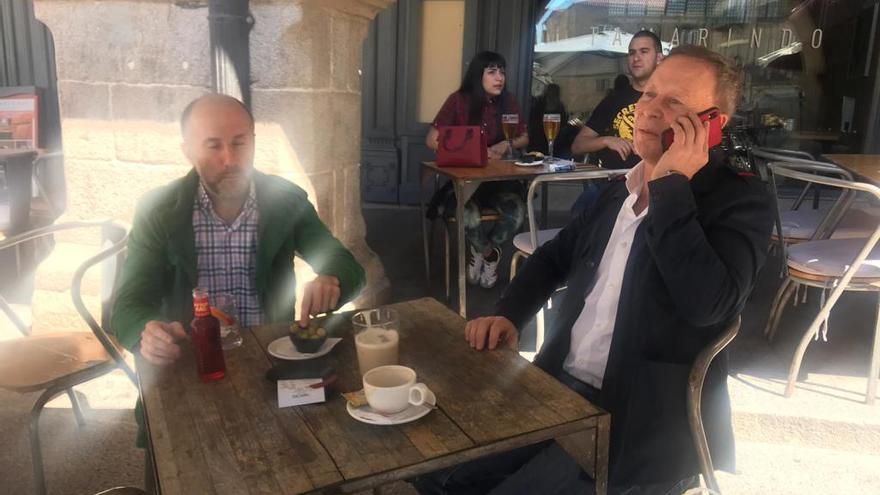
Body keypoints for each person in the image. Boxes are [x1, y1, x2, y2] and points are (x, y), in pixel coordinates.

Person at [415, 46, 773, 494]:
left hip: (637, 425)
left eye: (675, 103)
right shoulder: (617, 190)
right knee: (436, 475)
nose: (650, 109)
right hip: (556, 388)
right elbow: (553, 256)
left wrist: (671, 187)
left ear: (711, 124)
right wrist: (510, 313)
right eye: (650, 95)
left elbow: (709, 304)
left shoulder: (740, 201)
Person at [112, 93, 366, 366]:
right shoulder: (159, 211)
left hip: (270, 357)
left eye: (239, 143)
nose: (230, 159)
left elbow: (348, 267)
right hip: (189, 362)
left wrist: (333, 281)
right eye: (213, 146)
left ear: (254, 142)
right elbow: (128, 305)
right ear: (188, 151)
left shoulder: (286, 202)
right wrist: (147, 334)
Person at [426, 51, 528, 289]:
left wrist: (507, 144)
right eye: (492, 71)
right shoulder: (458, 100)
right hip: (465, 186)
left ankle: (479, 253)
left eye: (502, 71)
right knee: (468, 214)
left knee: (517, 211)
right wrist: (464, 152)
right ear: (477, 75)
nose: (499, 77)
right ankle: (488, 254)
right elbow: (431, 139)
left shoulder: (509, 101)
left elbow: (524, 137)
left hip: (498, 183)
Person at [571, 30, 663, 169]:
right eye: (632, 53)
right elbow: (578, 146)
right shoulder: (613, 100)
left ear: (659, 58)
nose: (636, 58)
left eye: (644, 51)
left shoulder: (669, 100)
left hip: (656, 184)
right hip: (613, 183)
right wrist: (606, 140)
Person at [528, 83, 569, 156]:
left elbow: (563, 124)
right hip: (537, 141)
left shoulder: (560, 107)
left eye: (554, 92)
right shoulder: (538, 103)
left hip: (555, 143)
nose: (551, 93)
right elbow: (532, 121)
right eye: (550, 91)